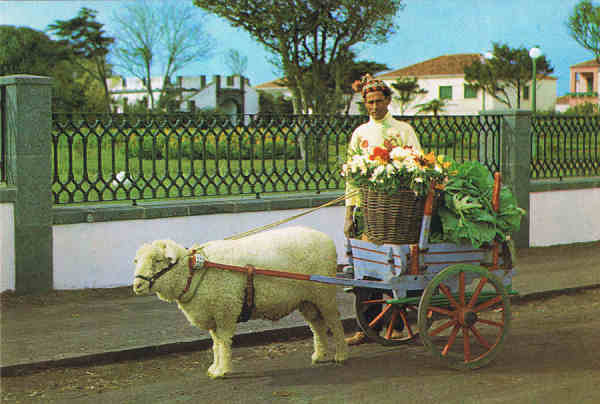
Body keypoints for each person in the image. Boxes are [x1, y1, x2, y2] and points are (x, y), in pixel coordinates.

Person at [344, 73, 423, 346]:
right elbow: (352, 178)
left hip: (398, 213)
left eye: (379, 101)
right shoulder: (360, 134)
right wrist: (349, 213)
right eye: (369, 102)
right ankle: (367, 326)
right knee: (366, 266)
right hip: (368, 210)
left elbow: (418, 166)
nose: (374, 107)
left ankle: (400, 323)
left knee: (397, 265)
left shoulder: (403, 131)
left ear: (388, 101)